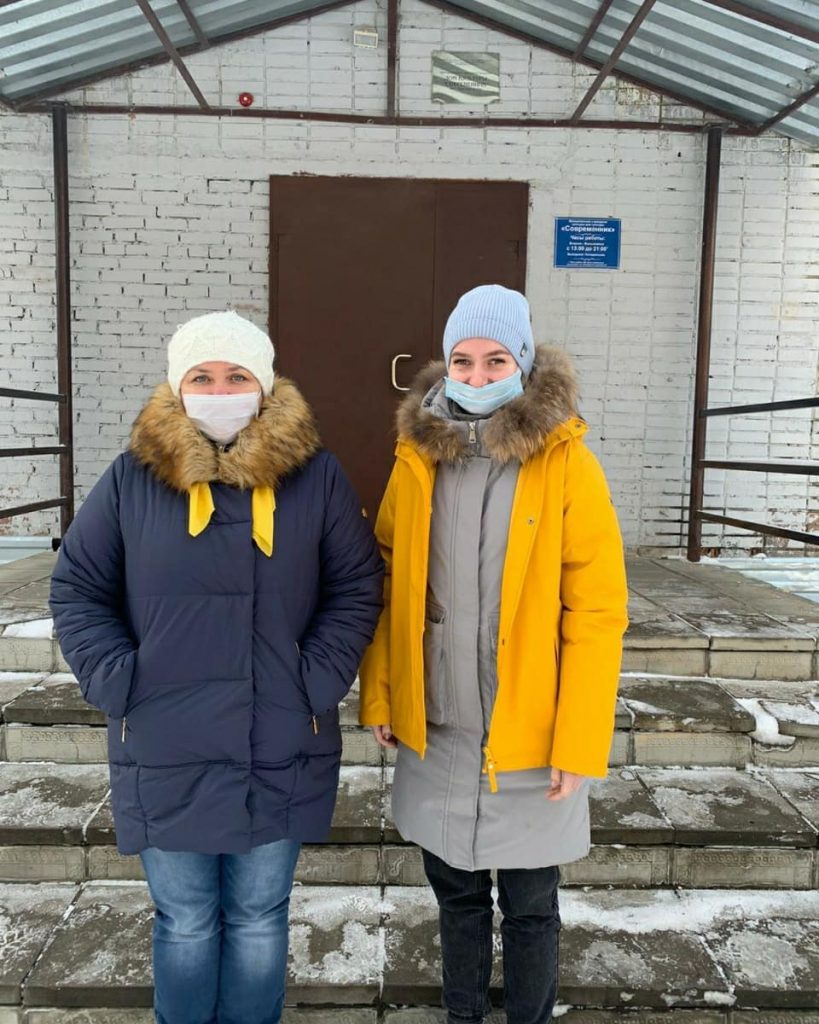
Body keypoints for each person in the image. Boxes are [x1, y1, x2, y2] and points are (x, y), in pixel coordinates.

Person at [50, 310, 383, 1024]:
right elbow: (78, 588)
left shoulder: (316, 478)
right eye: (202, 376)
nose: (220, 389)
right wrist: (119, 679)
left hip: (279, 738)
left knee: (260, 916)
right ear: (177, 386)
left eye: (237, 376)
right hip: (164, 742)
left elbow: (356, 586)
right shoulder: (133, 479)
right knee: (186, 921)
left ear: (265, 386)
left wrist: (315, 678)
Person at [359, 284, 628, 1024]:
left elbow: (597, 610)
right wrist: (382, 693)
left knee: (532, 907)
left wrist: (578, 739)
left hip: (530, 734)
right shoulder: (416, 458)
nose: (476, 376)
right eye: (463, 361)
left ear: (524, 364)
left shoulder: (566, 462)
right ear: (445, 365)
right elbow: (388, 581)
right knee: (458, 900)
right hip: (441, 725)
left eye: (495, 360)